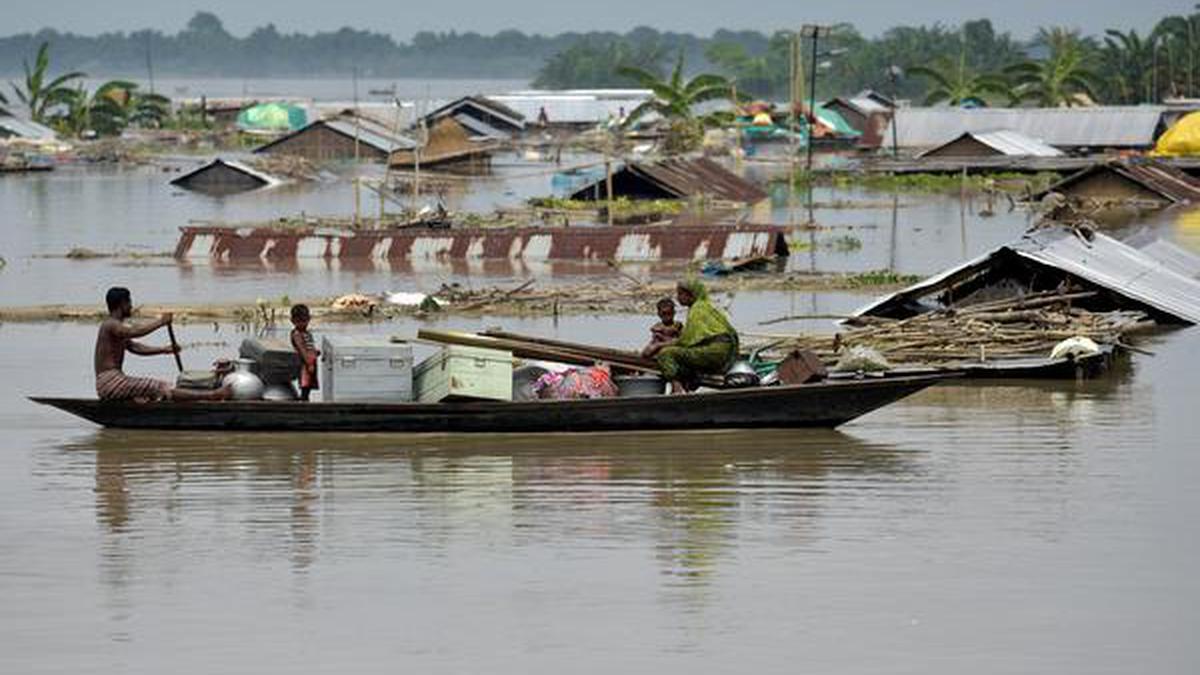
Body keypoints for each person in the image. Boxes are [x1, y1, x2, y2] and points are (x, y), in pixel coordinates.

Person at [94, 287, 230, 402]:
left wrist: (164, 350)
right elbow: (135, 331)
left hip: (113, 381)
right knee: (164, 387)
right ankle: (214, 395)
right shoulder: (111, 325)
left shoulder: (116, 327)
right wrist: (160, 322)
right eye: (129, 302)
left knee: (149, 397)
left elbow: (135, 347)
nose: (131, 306)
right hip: (110, 382)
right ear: (122, 304)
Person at [655, 280, 739, 393]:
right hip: (721, 350)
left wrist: (660, 345)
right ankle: (689, 386)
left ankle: (677, 388)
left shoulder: (697, 310)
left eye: (680, 294)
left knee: (665, 354)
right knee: (684, 360)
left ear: (690, 295)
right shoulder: (705, 306)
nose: (678, 297)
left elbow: (687, 341)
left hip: (714, 351)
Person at [290, 304, 320, 401]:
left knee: (309, 383)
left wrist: (315, 352)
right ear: (293, 321)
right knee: (305, 383)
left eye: (304, 321)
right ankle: (304, 400)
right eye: (299, 321)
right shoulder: (297, 334)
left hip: (310, 361)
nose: (302, 324)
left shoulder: (306, 332)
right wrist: (309, 363)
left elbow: (309, 346)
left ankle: (305, 399)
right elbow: (302, 349)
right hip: (304, 363)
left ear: (309, 319)